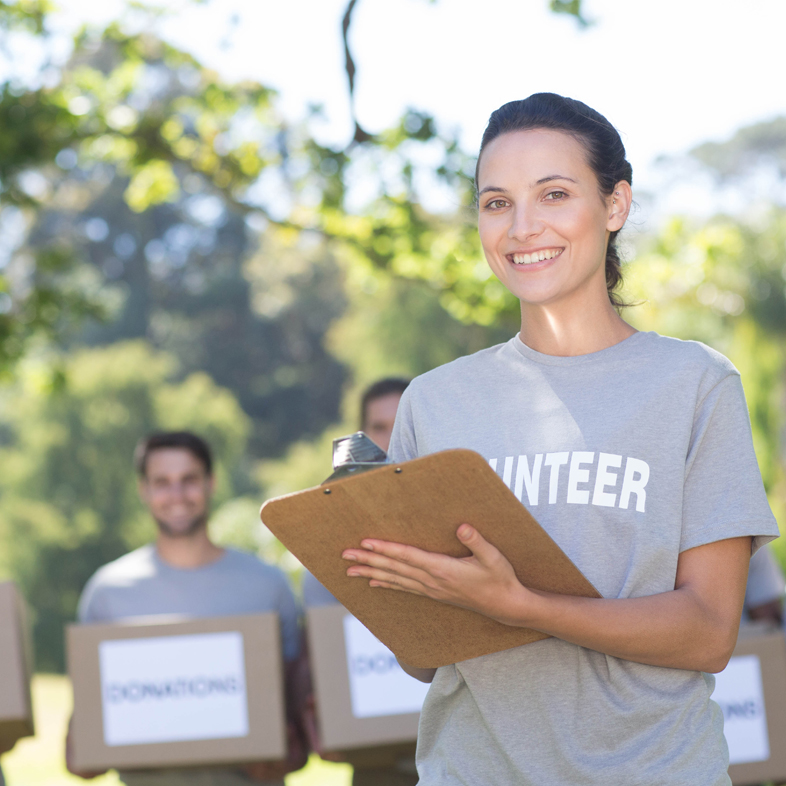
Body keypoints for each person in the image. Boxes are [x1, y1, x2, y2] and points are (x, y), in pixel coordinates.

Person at [340, 93, 780, 785]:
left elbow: (708, 631)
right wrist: (388, 577)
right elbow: (423, 659)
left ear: (615, 205)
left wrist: (520, 605)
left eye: (553, 193)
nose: (521, 227)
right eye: (495, 203)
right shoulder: (435, 399)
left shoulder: (694, 384)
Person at [67, 431, 306, 786]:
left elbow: (299, 732)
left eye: (189, 480)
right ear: (143, 489)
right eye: (162, 482)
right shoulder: (108, 592)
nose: (176, 495)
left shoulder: (268, 586)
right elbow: (80, 753)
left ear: (211, 483)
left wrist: (283, 753)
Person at [301, 378, 418, 786]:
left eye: (403, 420)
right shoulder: (323, 552)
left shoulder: (473, 525)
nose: (391, 439)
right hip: (377, 768)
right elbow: (324, 660)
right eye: (379, 427)